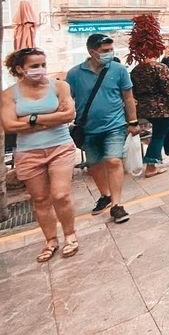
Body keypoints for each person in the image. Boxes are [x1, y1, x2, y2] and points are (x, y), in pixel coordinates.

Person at [1, 49, 80, 261]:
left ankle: (70, 235)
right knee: (40, 198)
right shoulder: (9, 94)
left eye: (43, 65)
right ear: (20, 69)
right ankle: (51, 240)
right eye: (34, 66)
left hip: (60, 146)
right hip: (28, 152)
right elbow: (8, 124)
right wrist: (49, 117)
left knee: (60, 195)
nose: (41, 70)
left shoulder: (60, 86)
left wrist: (29, 120)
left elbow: (69, 114)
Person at [65, 34, 140, 225]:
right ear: (92, 52)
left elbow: (128, 97)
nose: (109, 53)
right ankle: (105, 195)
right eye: (105, 51)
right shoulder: (74, 74)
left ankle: (117, 205)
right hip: (88, 128)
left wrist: (133, 122)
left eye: (110, 50)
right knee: (95, 165)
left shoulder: (119, 70)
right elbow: (67, 100)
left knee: (114, 161)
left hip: (115, 125)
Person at [130, 50, 169, 177]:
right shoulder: (160, 67)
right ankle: (151, 166)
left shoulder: (136, 70)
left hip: (144, 107)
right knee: (159, 134)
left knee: (167, 128)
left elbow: (132, 90)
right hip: (161, 107)